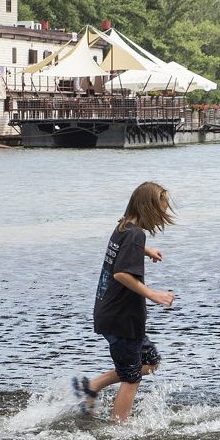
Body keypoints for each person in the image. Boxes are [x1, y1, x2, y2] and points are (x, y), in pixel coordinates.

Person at [74, 181, 177, 422]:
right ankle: (119, 428)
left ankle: (92, 386)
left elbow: (125, 249)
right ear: (149, 209)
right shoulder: (135, 234)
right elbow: (121, 273)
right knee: (132, 377)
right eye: (160, 211)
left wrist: (145, 250)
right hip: (121, 318)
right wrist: (153, 294)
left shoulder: (124, 227)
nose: (162, 217)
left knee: (150, 362)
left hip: (112, 312)